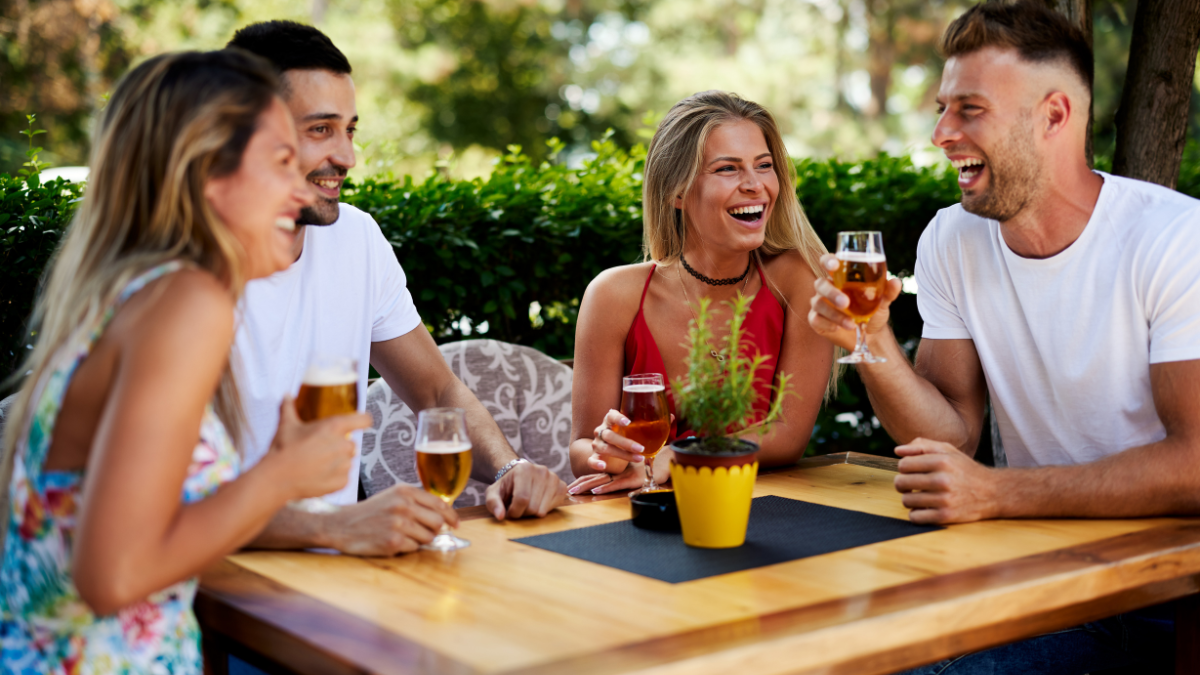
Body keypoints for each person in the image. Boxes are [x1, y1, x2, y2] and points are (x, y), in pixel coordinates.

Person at [807, 2, 1192, 672]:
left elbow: (1196, 465)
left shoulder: (1173, 240)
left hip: (1159, 591)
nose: (940, 133)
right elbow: (949, 432)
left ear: (1053, 116)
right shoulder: (952, 239)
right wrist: (870, 340)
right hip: (1024, 571)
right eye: (941, 108)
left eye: (969, 110)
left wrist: (997, 492)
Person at [0, 50, 368, 674]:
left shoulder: (139, 293)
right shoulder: (186, 303)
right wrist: (280, 477)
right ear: (207, 176)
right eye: (281, 160)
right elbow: (112, 575)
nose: (297, 183)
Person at [224, 21, 568, 557]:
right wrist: (334, 526)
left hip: (341, 577)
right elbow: (157, 509)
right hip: (220, 590)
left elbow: (437, 393)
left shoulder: (355, 238)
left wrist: (510, 468)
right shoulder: (183, 277)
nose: (347, 157)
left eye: (350, 130)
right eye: (320, 130)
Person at [568, 91, 835, 495]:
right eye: (728, 169)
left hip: (767, 510)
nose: (755, 185)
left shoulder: (799, 278)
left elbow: (788, 436)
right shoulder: (613, 295)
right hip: (647, 514)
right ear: (677, 193)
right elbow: (581, 448)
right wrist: (609, 452)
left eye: (764, 166)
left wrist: (678, 457)